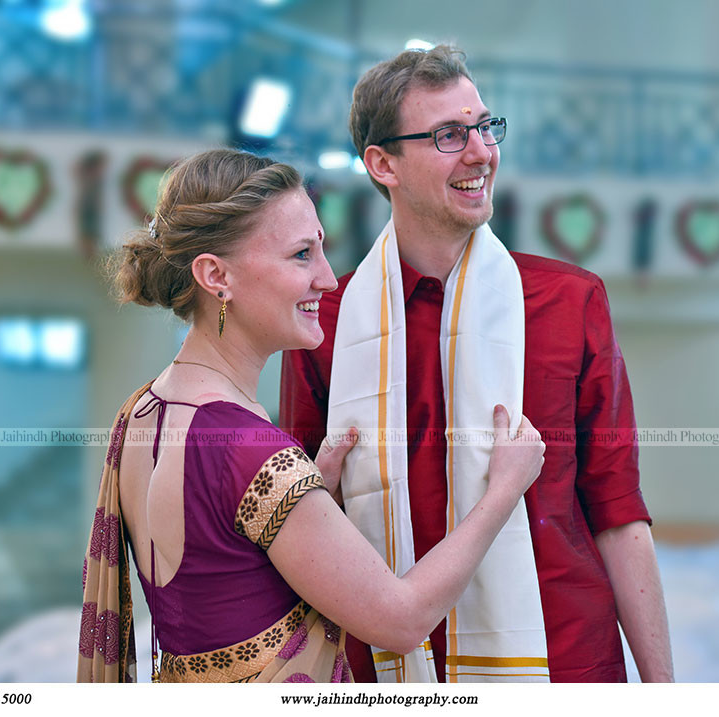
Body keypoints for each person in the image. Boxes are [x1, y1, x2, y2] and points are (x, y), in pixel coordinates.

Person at [280, 46, 674, 683]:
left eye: (486, 128)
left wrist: (663, 689)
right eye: (447, 135)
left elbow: (617, 510)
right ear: (383, 164)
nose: (481, 152)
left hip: (563, 660)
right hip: (383, 671)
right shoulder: (323, 323)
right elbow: (300, 522)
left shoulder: (570, 301)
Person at [76, 149, 546, 683]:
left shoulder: (140, 413)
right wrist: (503, 491)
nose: (327, 278)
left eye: (322, 250)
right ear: (215, 276)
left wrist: (306, 492)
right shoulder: (251, 451)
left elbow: (215, 580)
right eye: (301, 255)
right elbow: (401, 619)